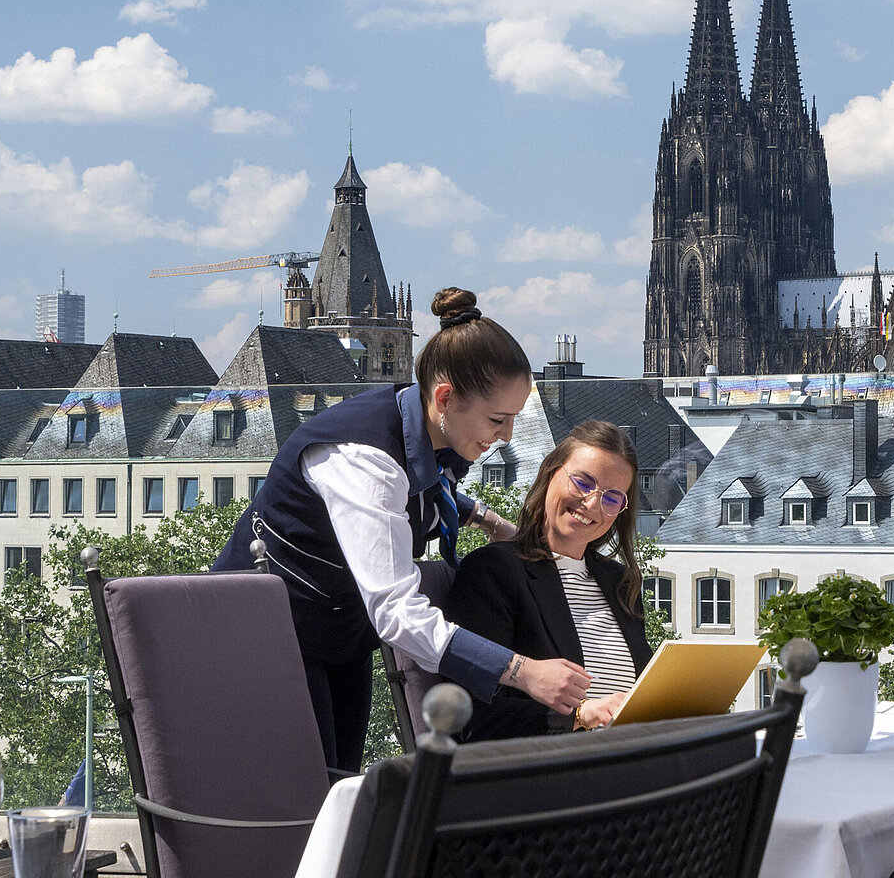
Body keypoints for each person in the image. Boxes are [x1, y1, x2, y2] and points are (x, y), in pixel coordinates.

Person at [213, 288, 591, 770]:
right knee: (307, 799)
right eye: (498, 419)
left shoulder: (432, 430)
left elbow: (429, 490)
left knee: (340, 785)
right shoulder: (364, 458)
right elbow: (395, 611)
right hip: (263, 637)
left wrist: (489, 520)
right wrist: (520, 671)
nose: (508, 436)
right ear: (445, 397)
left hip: (337, 630)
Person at [443, 421, 652, 741]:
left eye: (612, 499)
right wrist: (580, 716)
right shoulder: (494, 572)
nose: (593, 504)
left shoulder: (621, 584)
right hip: (548, 772)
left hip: (629, 760)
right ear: (550, 473)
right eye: (583, 483)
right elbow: (471, 716)